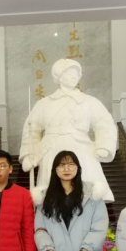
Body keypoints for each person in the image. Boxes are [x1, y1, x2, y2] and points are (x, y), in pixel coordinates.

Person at [19, 59, 118, 202]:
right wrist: (29, 154)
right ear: (59, 77)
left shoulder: (89, 101)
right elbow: (32, 130)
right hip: (52, 149)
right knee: (52, 191)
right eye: (69, 73)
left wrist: (103, 146)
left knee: (86, 189)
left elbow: (104, 124)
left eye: (76, 73)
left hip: (82, 149)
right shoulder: (44, 104)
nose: (74, 76)